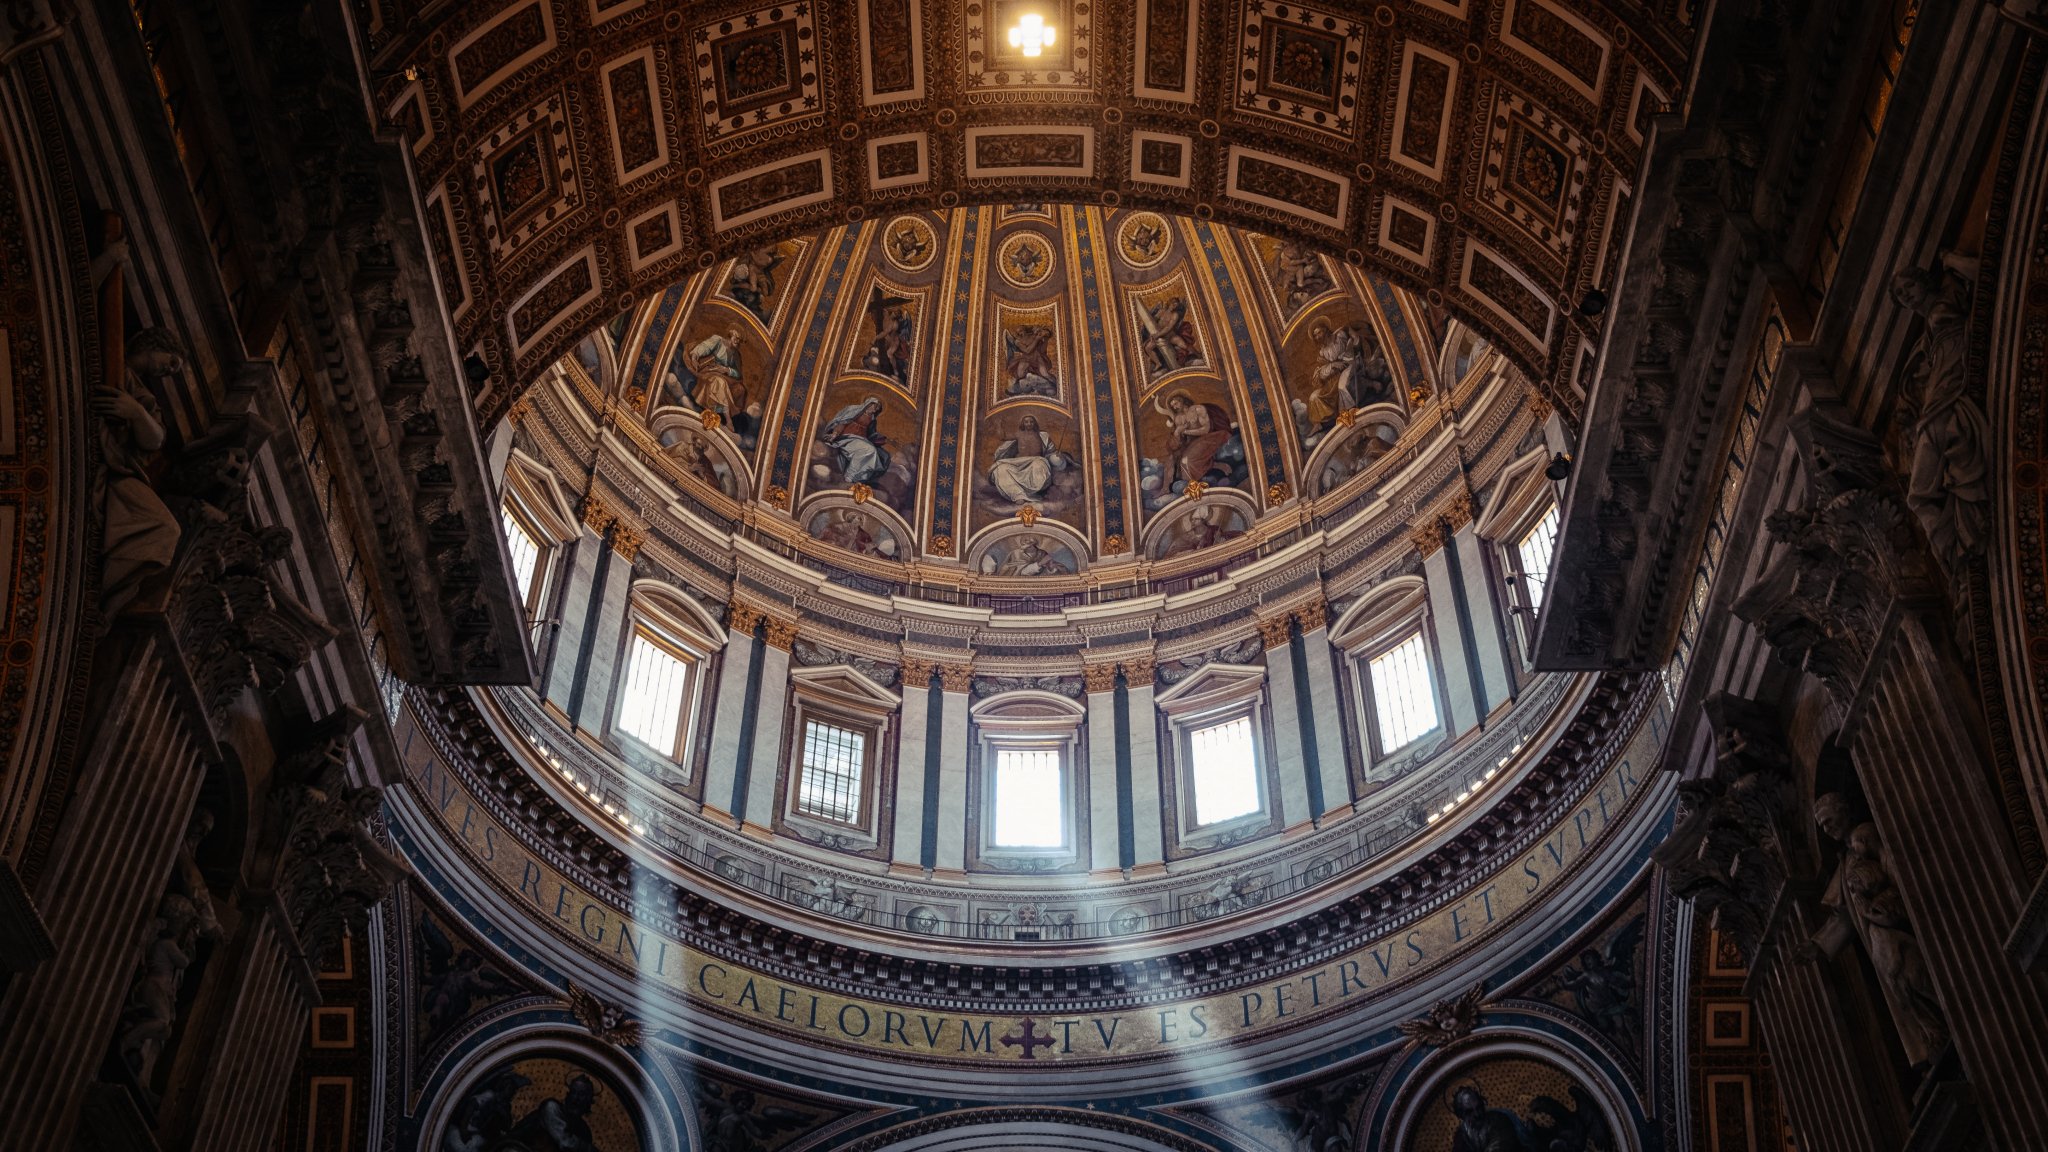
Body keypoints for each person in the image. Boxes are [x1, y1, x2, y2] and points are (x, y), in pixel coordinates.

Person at [1159, 390, 1234, 488]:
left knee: (1186, 460)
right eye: (1173, 406)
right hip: (1192, 443)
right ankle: (1189, 487)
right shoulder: (1178, 418)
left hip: (1209, 437)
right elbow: (1182, 439)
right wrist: (1177, 433)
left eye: (1176, 403)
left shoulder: (1198, 409)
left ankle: (1195, 486)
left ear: (1182, 400)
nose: (1175, 407)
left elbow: (1205, 429)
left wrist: (1185, 431)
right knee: (1173, 461)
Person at [988, 414, 1067, 503]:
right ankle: (1018, 495)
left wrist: (1057, 455)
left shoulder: (1043, 436)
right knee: (1000, 468)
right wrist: (998, 425)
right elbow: (1002, 437)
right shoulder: (1018, 434)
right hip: (1018, 463)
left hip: (1037, 460)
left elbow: (1051, 452)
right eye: (1026, 422)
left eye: (1031, 422)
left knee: (1039, 465)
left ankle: (1031, 493)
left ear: (1035, 423)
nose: (1029, 424)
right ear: (1023, 423)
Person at [819, 396, 891, 485]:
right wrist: (835, 434)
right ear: (869, 404)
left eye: (877, 408)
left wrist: (880, 439)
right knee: (869, 450)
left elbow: (871, 434)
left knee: (875, 453)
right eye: (875, 406)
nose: (875, 410)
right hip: (848, 437)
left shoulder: (872, 419)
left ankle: (858, 477)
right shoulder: (855, 410)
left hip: (862, 440)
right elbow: (842, 422)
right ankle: (850, 475)